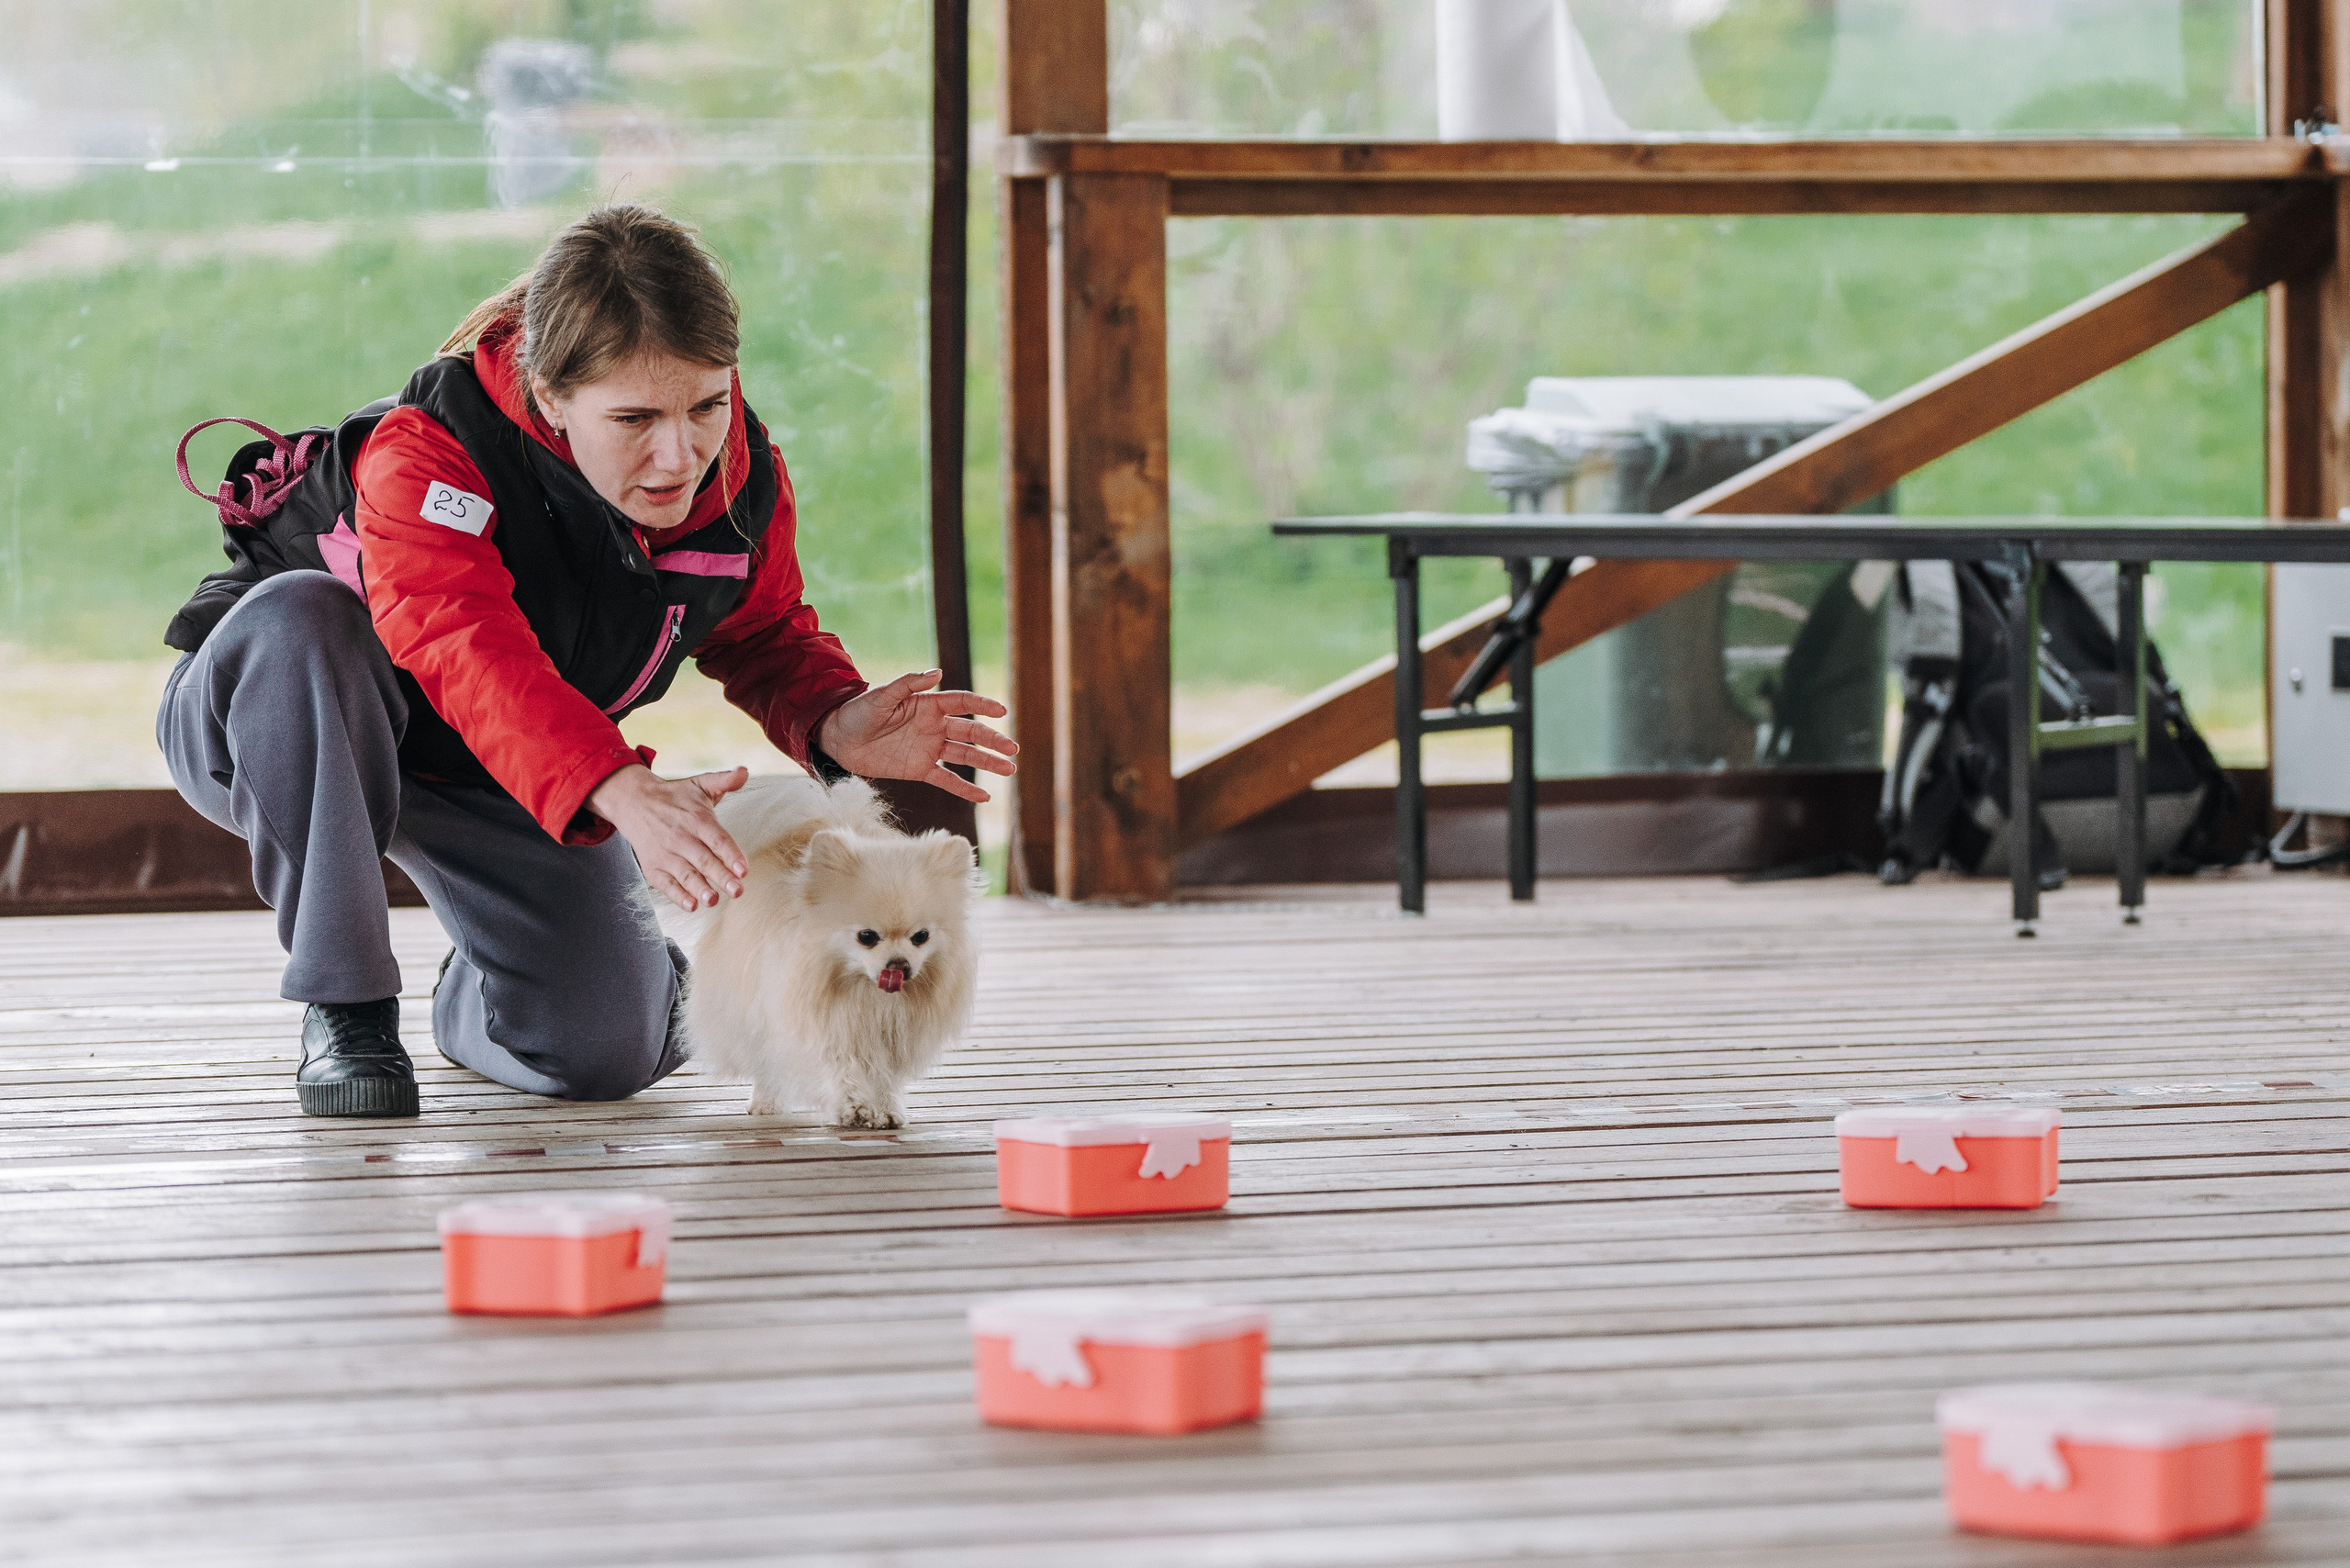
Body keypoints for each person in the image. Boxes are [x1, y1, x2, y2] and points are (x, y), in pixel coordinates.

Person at [157, 203, 1016, 1118]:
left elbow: (761, 629)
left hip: (506, 768)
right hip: (286, 722)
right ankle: (348, 1007)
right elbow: (461, 644)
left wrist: (834, 715)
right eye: (636, 416)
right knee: (306, 618)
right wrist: (617, 784)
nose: (678, 453)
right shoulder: (428, 453)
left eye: (707, 405)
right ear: (552, 394)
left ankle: (483, 985)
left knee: (612, 1048)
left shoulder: (736, 477)